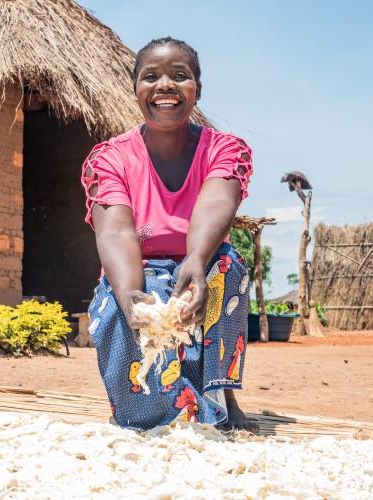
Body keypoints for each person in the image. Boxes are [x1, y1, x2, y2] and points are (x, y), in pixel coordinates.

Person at [81, 37, 257, 432]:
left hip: (201, 261)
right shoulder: (110, 157)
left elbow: (216, 204)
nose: (165, 86)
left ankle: (218, 397)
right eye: (151, 77)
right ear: (135, 89)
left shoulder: (223, 149)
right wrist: (131, 296)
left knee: (227, 269)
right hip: (138, 266)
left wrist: (195, 261)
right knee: (117, 303)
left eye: (180, 76)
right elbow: (116, 232)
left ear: (197, 89)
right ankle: (157, 411)